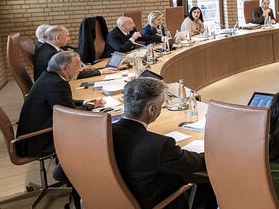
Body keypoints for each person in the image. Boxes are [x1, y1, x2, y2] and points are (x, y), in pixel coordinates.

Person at [113, 77, 217, 209]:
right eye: (161, 105)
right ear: (151, 109)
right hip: (160, 202)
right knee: (211, 188)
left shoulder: (107, 132)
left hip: (122, 200)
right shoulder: (160, 146)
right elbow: (199, 163)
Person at [16, 51, 104, 159]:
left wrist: (84, 102)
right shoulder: (57, 84)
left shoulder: (49, 76)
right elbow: (71, 114)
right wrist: (91, 107)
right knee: (93, 131)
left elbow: (62, 102)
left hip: (33, 134)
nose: (80, 70)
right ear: (64, 69)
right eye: (77, 67)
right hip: (38, 140)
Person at [33, 25, 112, 81]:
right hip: (52, 87)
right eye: (67, 36)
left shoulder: (45, 48)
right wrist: (100, 72)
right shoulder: (52, 54)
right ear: (57, 38)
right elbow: (70, 75)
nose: (69, 39)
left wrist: (79, 69)